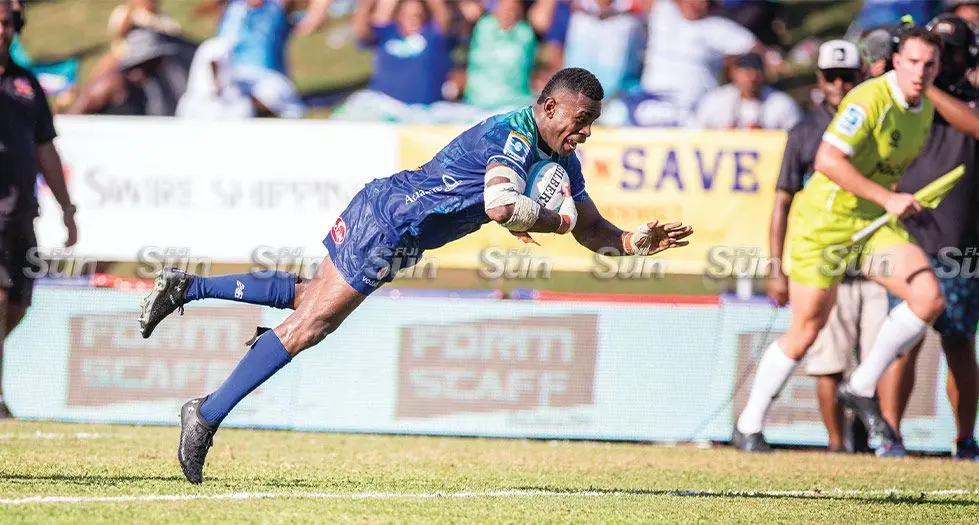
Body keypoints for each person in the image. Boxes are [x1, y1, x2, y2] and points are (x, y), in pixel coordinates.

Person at [137, 67, 693, 484]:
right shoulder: (516, 135)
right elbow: (502, 204)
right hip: (393, 221)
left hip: (400, 225)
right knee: (310, 325)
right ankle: (205, 415)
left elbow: (591, 230)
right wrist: (553, 217)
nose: (585, 134)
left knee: (310, 298)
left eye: (591, 125)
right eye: (580, 121)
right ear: (549, 107)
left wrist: (632, 244)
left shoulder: (559, 158)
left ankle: (188, 286)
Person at [731, 27, 946, 454]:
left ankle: (862, 386)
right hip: (824, 226)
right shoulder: (868, 100)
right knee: (806, 330)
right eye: (914, 62)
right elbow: (828, 160)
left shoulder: (923, 109)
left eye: (930, 64)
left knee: (928, 299)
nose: (921, 72)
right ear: (896, 61)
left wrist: (890, 202)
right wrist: (889, 197)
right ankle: (748, 425)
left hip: (870, 223)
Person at [862, 14, 979, 459]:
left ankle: (965, 440)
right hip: (907, 236)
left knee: (959, 342)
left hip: (960, 241)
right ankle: (888, 436)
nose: (937, 62)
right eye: (931, 55)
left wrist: (924, 85)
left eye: (947, 53)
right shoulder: (900, 100)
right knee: (903, 341)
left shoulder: (965, 99)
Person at [764, 40, 881, 454]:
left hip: (870, 259)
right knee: (827, 362)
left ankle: (878, 444)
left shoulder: (878, 122)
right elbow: (782, 202)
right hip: (821, 260)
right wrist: (776, 266)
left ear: (861, 77)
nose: (839, 84)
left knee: (877, 359)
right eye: (831, 76)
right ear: (819, 79)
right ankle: (836, 445)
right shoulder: (805, 131)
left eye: (847, 76)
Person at [0, 0, 77, 417]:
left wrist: (67, 208)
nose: (3, 31)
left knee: (18, 306)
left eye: (8, 24)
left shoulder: (26, 84)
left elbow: (46, 148)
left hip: (21, 216)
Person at [690, 51, 800, 130]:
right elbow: (696, 134)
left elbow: (796, 139)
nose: (751, 79)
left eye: (756, 74)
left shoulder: (781, 103)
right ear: (733, 73)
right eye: (746, 73)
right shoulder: (715, 100)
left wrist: (766, 136)